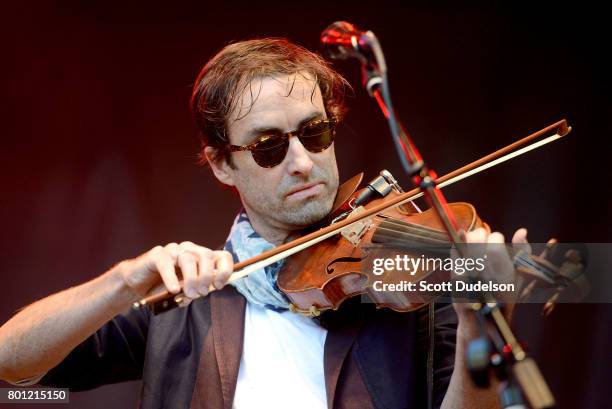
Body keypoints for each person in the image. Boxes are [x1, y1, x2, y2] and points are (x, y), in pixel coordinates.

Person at [0, 38, 529, 409]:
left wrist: (477, 334)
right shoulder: (186, 305)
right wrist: (124, 282)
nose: (302, 161)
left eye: (315, 133)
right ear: (222, 163)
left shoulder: (409, 289)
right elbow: (12, 367)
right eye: (269, 146)